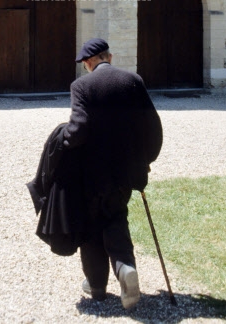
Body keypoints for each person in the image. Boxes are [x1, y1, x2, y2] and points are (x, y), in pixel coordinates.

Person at [62, 37, 163, 310]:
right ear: (110, 57)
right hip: (125, 172)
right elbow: (153, 128)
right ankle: (125, 268)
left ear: (88, 62)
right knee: (117, 218)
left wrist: (63, 139)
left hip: (91, 174)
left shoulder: (81, 86)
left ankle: (96, 287)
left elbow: (79, 128)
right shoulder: (133, 81)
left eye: (84, 63)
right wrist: (144, 163)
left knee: (92, 227)